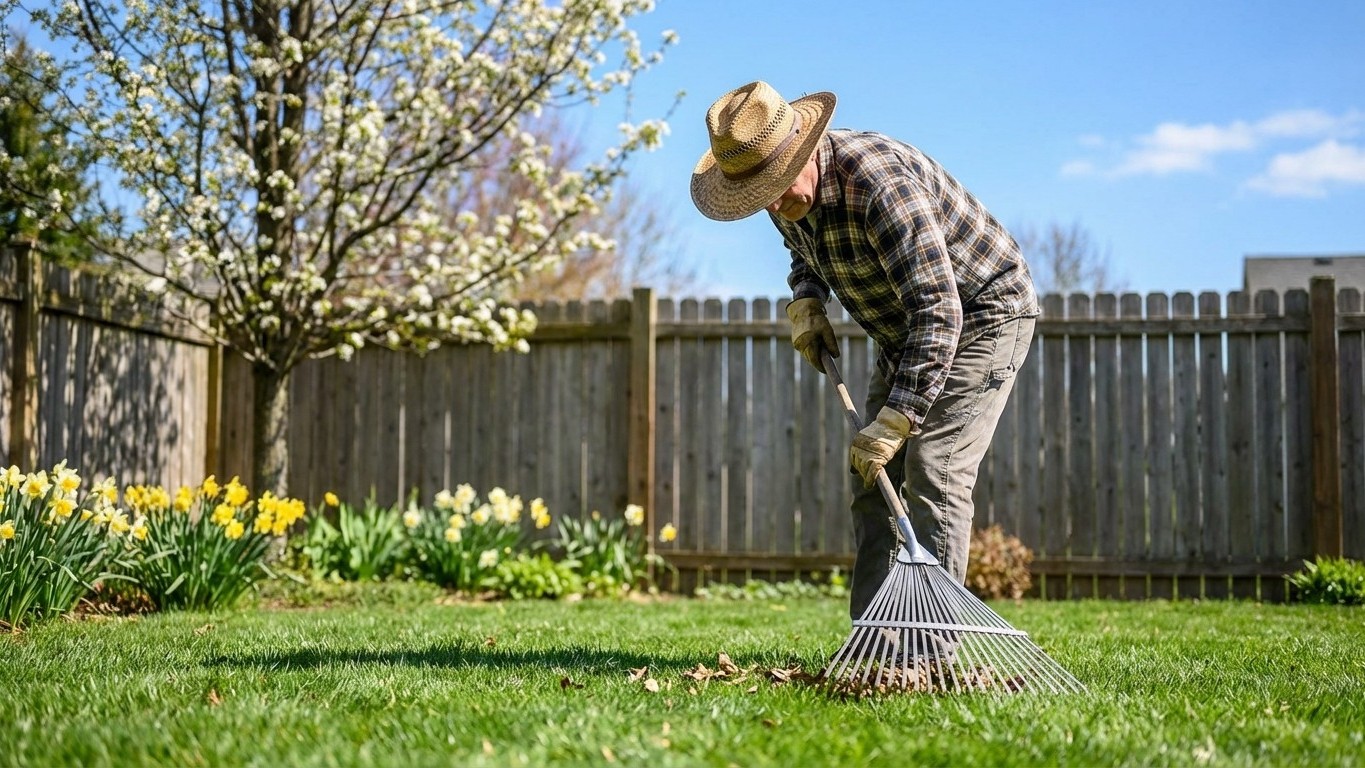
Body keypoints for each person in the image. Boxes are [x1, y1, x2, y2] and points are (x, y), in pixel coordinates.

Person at [690, 81, 1039, 623]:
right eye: (761, 195)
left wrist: (898, 420)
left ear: (802, 150)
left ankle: (929, 647)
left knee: (935, 468)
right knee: (872, 476)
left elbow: (938, 310)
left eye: (778, 185)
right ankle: (875, 634)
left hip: (981, 314)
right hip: (905, 331)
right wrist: (807, 297)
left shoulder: (879, 184)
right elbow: (804, 247)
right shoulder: (780, 194)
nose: (775, 204)